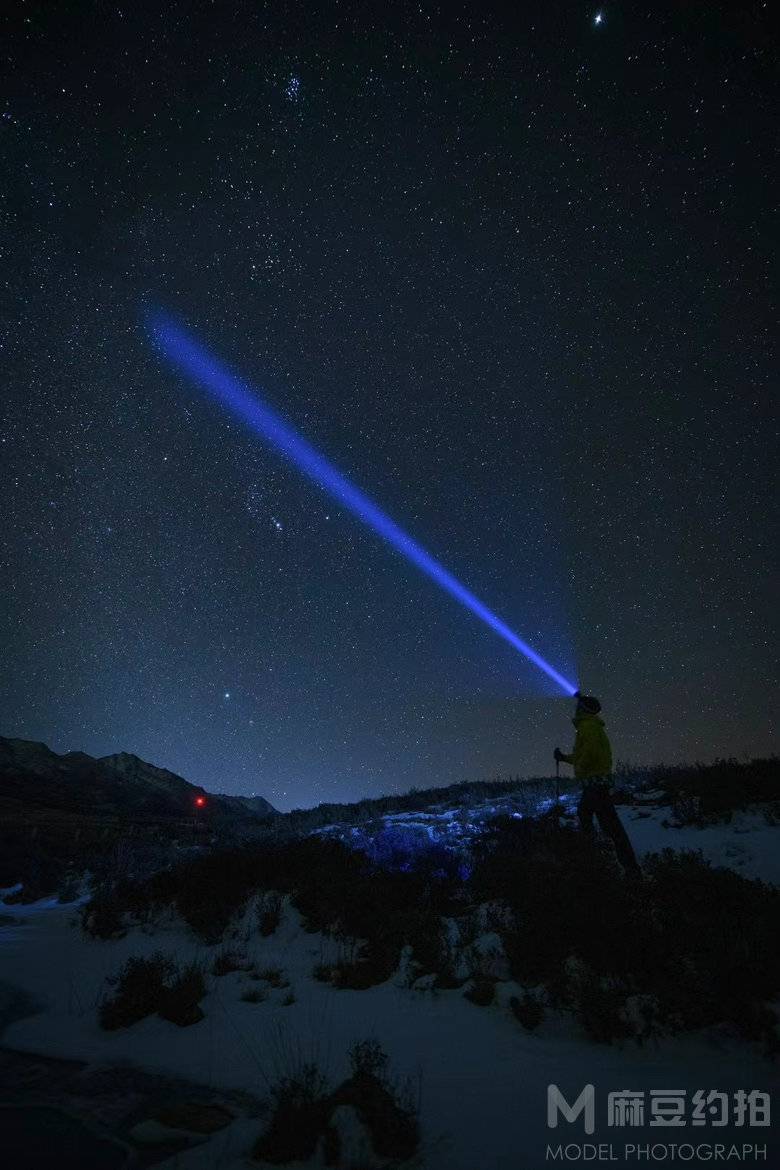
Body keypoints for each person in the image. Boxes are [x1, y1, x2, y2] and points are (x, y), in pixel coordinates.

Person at [554, 692, 640, 876]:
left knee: (601, 821)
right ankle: (619, 863)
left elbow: (589, 753)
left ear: (583, 710)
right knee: (602, 820)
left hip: (595, 782)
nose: (575, 708)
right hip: (596, 782)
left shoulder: (588, 726)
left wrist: (580, 767)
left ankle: (605, 860)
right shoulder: (589, 726)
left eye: (578, 706)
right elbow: (581, 755)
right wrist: (564, 758)